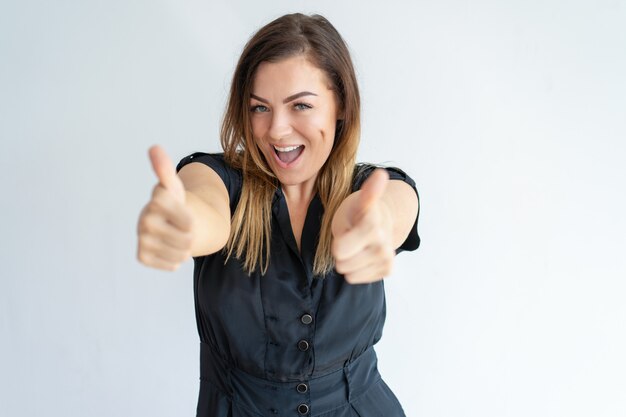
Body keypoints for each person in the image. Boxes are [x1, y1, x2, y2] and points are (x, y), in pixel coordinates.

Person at [137, 13, 420, 417]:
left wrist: (377, 224)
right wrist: (183, 222)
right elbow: (203, 209)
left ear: (340, 105)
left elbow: (397, 206)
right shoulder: (214, 176)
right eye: (260, 108)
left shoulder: (370, 190)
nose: (276, 130)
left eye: (300, 105)